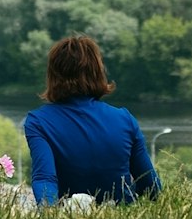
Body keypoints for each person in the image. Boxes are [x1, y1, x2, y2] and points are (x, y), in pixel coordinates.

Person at [23, 35, 162, 207]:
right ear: (98, 72)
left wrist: (50, 216)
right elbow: (151, 186)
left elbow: (44, 178)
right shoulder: (125, 119)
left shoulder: (38, 122)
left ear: (53, 75)